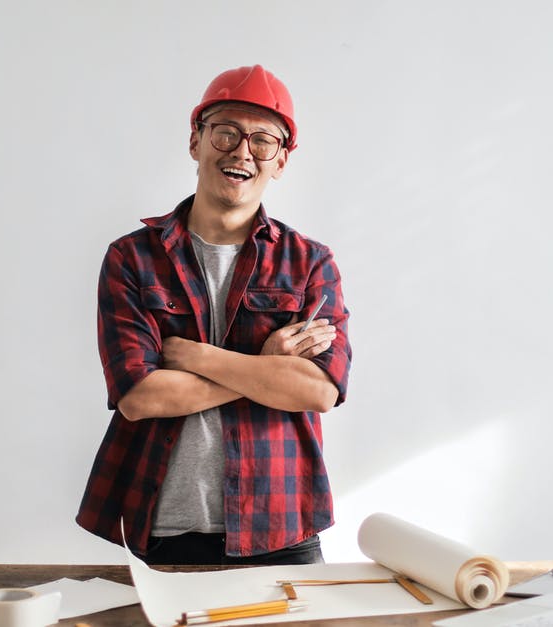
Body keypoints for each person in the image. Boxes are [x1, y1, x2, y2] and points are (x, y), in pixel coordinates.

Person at [75, 64, 352, 566]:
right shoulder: (132, 259)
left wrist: (198, 357)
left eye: (264, 141)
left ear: (282, 161)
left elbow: (319, 392)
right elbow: (139, 397)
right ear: (195, 142)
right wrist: (267, 365)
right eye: (226, 132)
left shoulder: (311, 262)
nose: (242, 152)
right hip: (167, 530)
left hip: (283, 529)